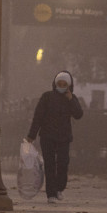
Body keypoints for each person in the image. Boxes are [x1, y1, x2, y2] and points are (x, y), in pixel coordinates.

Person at [25, 70, 84, 203]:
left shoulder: (71, 98)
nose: (61, 86)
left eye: (64, 84)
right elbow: (38, 117)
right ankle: (50, 194)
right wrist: (31, 135)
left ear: (69, 85)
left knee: (63, 163)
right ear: (55, 83)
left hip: (64, 137)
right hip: (47, 136)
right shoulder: (47, 97)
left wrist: (71, 100)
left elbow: (78, 114)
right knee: (50, 165)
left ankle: (59, 188)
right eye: (59, 83)